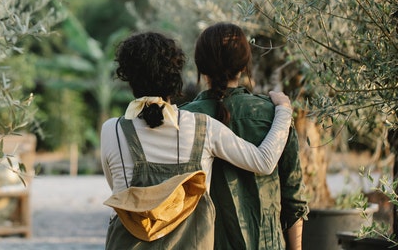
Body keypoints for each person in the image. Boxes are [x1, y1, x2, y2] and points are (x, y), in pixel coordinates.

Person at [100, 31, 294, 249]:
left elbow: (118, 188)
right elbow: (264, 162)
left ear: (128, 76)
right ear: (175, 75)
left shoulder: (112, 130)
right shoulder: (202, 127)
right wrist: (284, 111)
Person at [180, 22, 309, 250]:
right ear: (244, 64)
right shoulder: (275, 115)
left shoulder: (182, 120)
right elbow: (293, 197)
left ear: (201, 67)